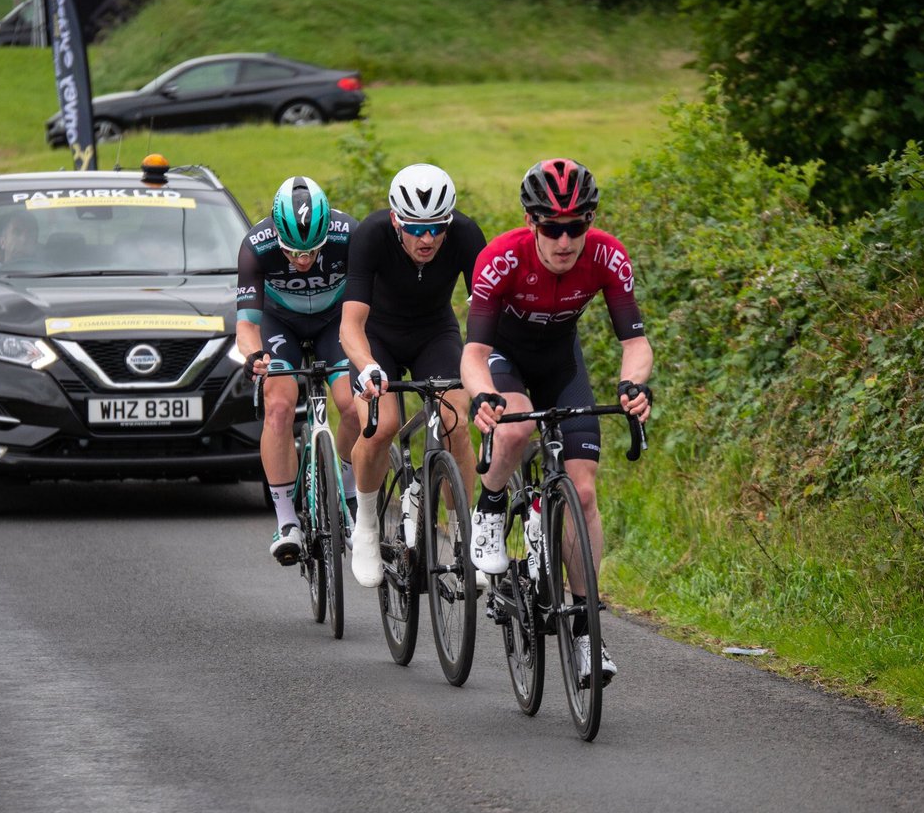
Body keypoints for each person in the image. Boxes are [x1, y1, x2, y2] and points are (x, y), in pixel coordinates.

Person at [461, 158, 653, 685]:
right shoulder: (500, 259)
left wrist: (633, 386)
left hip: (561, 364)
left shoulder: (608, 256)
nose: (565, 240)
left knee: (584, 493)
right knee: (518, 426)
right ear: (532, 222)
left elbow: (634, 344)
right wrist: (482, 397)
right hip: (505, 357)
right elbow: (474, 352)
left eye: (576, 226)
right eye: (552, 227)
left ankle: (589, 635)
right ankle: (491, 504)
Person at [342, 163, 487, 587]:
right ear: (395, 221)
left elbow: (484, 313)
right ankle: (367, 525)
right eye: (416, 228)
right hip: (376, 337)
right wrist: (367, 366)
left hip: (434, 333)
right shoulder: (369, 235)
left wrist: (487, 365)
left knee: (454, 421)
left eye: (436, 228)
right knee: (381, 423)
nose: (427, 239)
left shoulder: (465, 234)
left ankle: (464, 537)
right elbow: (350, 324)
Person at [236, 176, 361, 564]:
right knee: (278, 405)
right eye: (293, 253)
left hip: (333, 323)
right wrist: (255, 355)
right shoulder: (256, 247)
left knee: (355, 407)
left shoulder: (349, 235)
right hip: (280, 325)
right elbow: (246, 325)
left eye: (312, 251)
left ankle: (349, 492)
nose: (303, 261)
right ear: (277, 235)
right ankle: (287, 519)